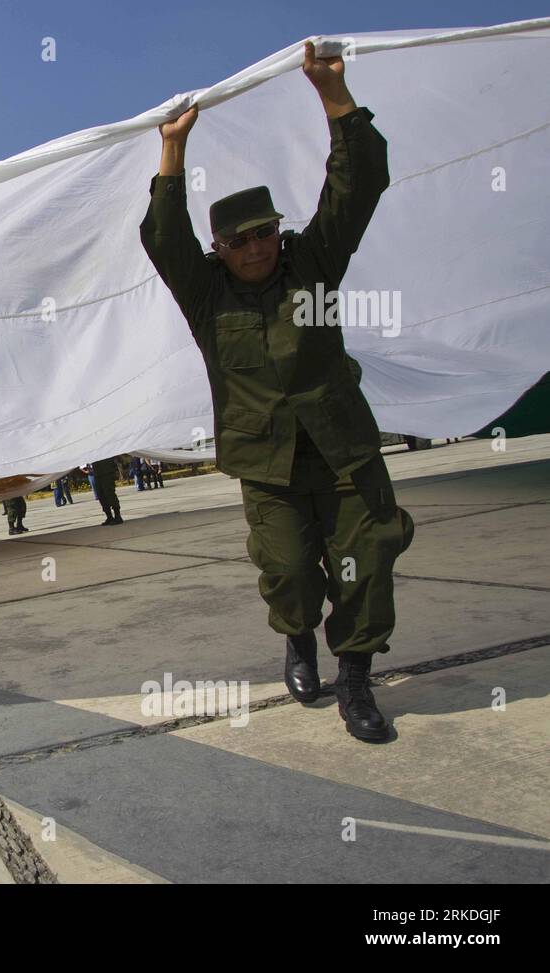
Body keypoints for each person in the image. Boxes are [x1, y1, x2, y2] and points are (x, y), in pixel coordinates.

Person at [140, 41, 413, 743]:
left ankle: (355, 675)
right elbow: (163, 237)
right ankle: (298, 637)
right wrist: (174, 150)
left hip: (344, 448)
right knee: (289, 571)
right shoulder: (207, 298)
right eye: (241, 241)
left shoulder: (312, 266)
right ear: (220, 249)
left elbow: (359, 187)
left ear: (279, 233)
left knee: (366, 564)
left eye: (265, 233)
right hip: (269, 466)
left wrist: (332, 94)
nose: (257, 248)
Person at [92, 457, 123, 525]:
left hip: (107, 471)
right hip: (97, 472)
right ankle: (109, 517)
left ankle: (118, 516)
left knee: (110, 494)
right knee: (101, 496)